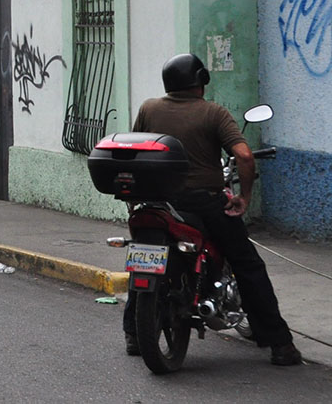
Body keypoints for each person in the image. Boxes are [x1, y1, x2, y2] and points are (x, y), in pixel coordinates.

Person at [121, 53, 302, 366]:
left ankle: (134, 335)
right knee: (247, 264)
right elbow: (244, 156)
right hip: (203, 202)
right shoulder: (213, 112)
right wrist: (243, 197)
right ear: (200, 81)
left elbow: (139, 147)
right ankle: (280, 343)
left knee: (146, 256)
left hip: (158, 203)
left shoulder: (149, 108)